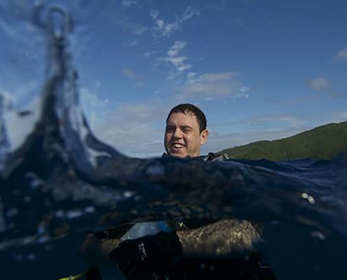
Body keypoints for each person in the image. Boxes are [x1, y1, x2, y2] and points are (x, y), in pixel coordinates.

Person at [75, 104, 275, 280]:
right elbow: (87, 247)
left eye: (185, 129)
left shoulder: (229, 178)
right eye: (170, 129)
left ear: (203, 136)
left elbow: (249, 232)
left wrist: (167, 244)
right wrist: (129, 250)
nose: (176, 135)